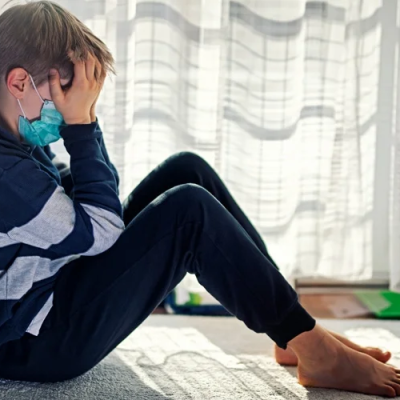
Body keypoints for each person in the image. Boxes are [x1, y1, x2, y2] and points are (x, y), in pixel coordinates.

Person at [0, 1, 399, 397]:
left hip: (50, 282)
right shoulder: (6, 172)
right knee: (188, 213)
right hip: (37, 340)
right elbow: (101, 230)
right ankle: (314, 348)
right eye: (65, 98)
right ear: (19, 83)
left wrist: (84, 123)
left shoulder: (14, 131)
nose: (71, 112)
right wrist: (81, 126)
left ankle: (292, 332)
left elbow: (77, 193)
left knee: (187, 170)